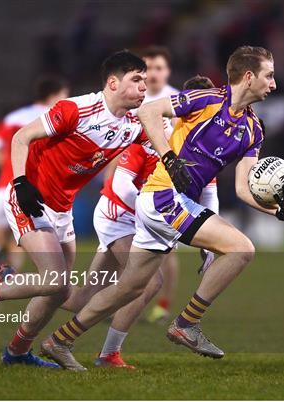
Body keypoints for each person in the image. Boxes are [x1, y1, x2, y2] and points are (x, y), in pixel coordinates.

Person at [44, 46, 284, 367]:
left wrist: (277, 210)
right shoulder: (206, 99)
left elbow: (243, 189)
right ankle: (186, 324)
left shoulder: (254, 130)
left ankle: (59, 340)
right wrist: (168, 157)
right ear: (248, 77)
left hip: (173, 206)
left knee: (130, 287)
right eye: (269, 75)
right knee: (241, 249)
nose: (274, 84)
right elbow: (148, 112)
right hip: (163, 196)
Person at [0, 50, 149, 371]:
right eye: (136, 79)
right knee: (55, 282)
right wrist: (21, 182)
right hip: (29, 198)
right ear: (113, 83)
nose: (144, 86)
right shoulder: (77, 109)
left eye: (145, 80)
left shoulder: (132, 125)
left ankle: (16, 352)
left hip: (61, 209)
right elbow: (21, 137)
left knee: (62, 293)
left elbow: (167, 128)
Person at [86, 74, 219, 369]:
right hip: (118, 214)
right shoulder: (155, 132)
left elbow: (210, 194)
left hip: (143, 217)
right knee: (146, 282)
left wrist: (211, 243)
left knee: (79, 294)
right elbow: (121, 187)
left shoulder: (203, 147)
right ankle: (101, 352)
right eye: (209, 107)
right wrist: (156, 212)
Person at [0, 75, 69, 272]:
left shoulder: (15, 117)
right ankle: (10, 280)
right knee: (19, 240)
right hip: (37, 189)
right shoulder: (59, 118)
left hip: (5, 184)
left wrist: (8, 166)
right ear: (54, 95)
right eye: (64, 94)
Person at [139, 46, 181, 323]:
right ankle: (130, 300)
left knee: (166, 251)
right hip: (134, 178)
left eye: (158, 68)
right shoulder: (134, 98)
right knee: (133, 246)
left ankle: (163, 304)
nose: (153, 74)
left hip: (167, 181)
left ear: (167, 71)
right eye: (148, 68)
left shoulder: (179, 100)